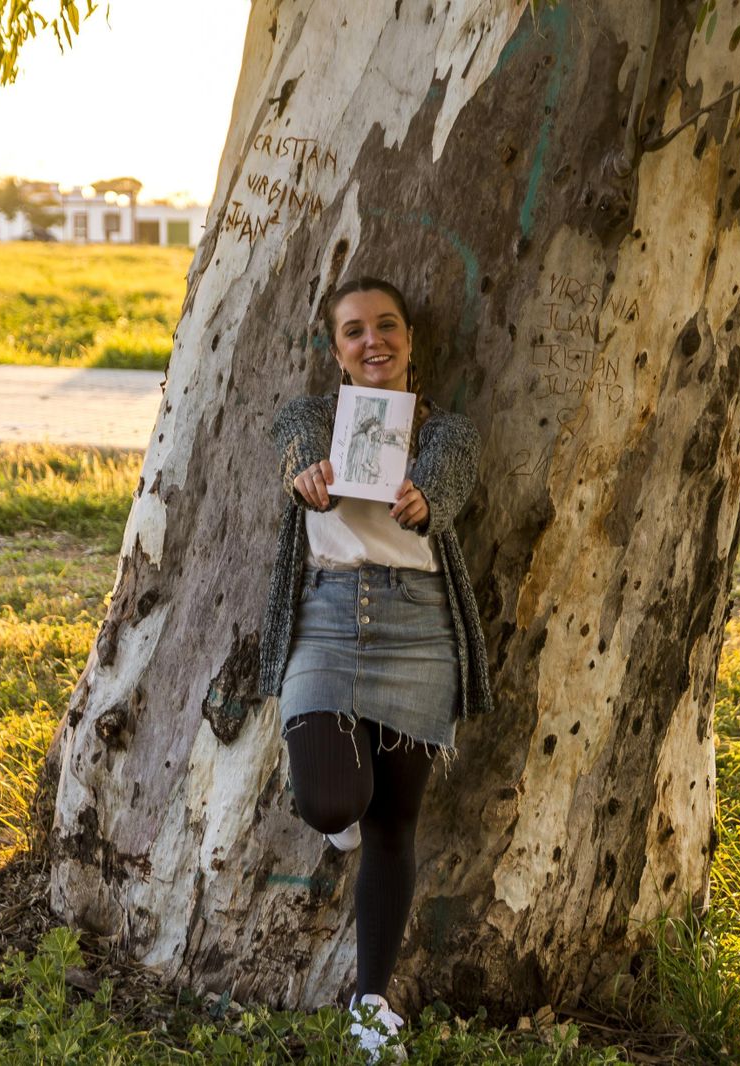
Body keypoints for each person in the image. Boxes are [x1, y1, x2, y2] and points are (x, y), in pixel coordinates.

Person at [258, 276, 493, 1061]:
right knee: (332, 802)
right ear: (337, 350)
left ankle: (370, 1003)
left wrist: (428, 500)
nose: (373, 342)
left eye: (387, 326)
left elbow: (451, 478)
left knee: (394, 825)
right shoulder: (308, 419)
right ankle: (337, 802)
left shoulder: (445, 432)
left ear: (409, 340)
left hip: (418, 631)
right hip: (327, 621)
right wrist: (308, 477)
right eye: (354, 331)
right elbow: (294, 453)